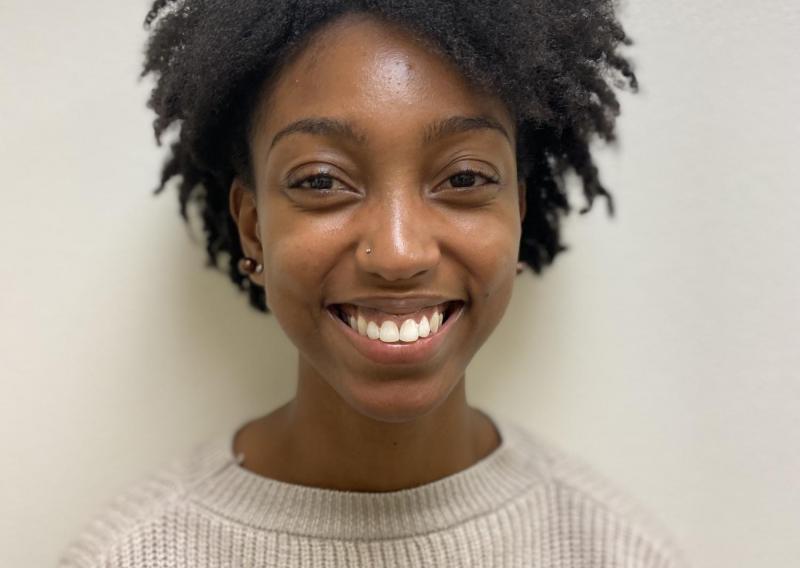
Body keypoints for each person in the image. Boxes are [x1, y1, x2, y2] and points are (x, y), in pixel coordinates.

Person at [59, 1, 689, 566]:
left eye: (465, 178)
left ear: (518, 215)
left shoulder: (614, 549)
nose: (396, 253)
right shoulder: (134, 553)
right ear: (252, 229)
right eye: (322, 180)